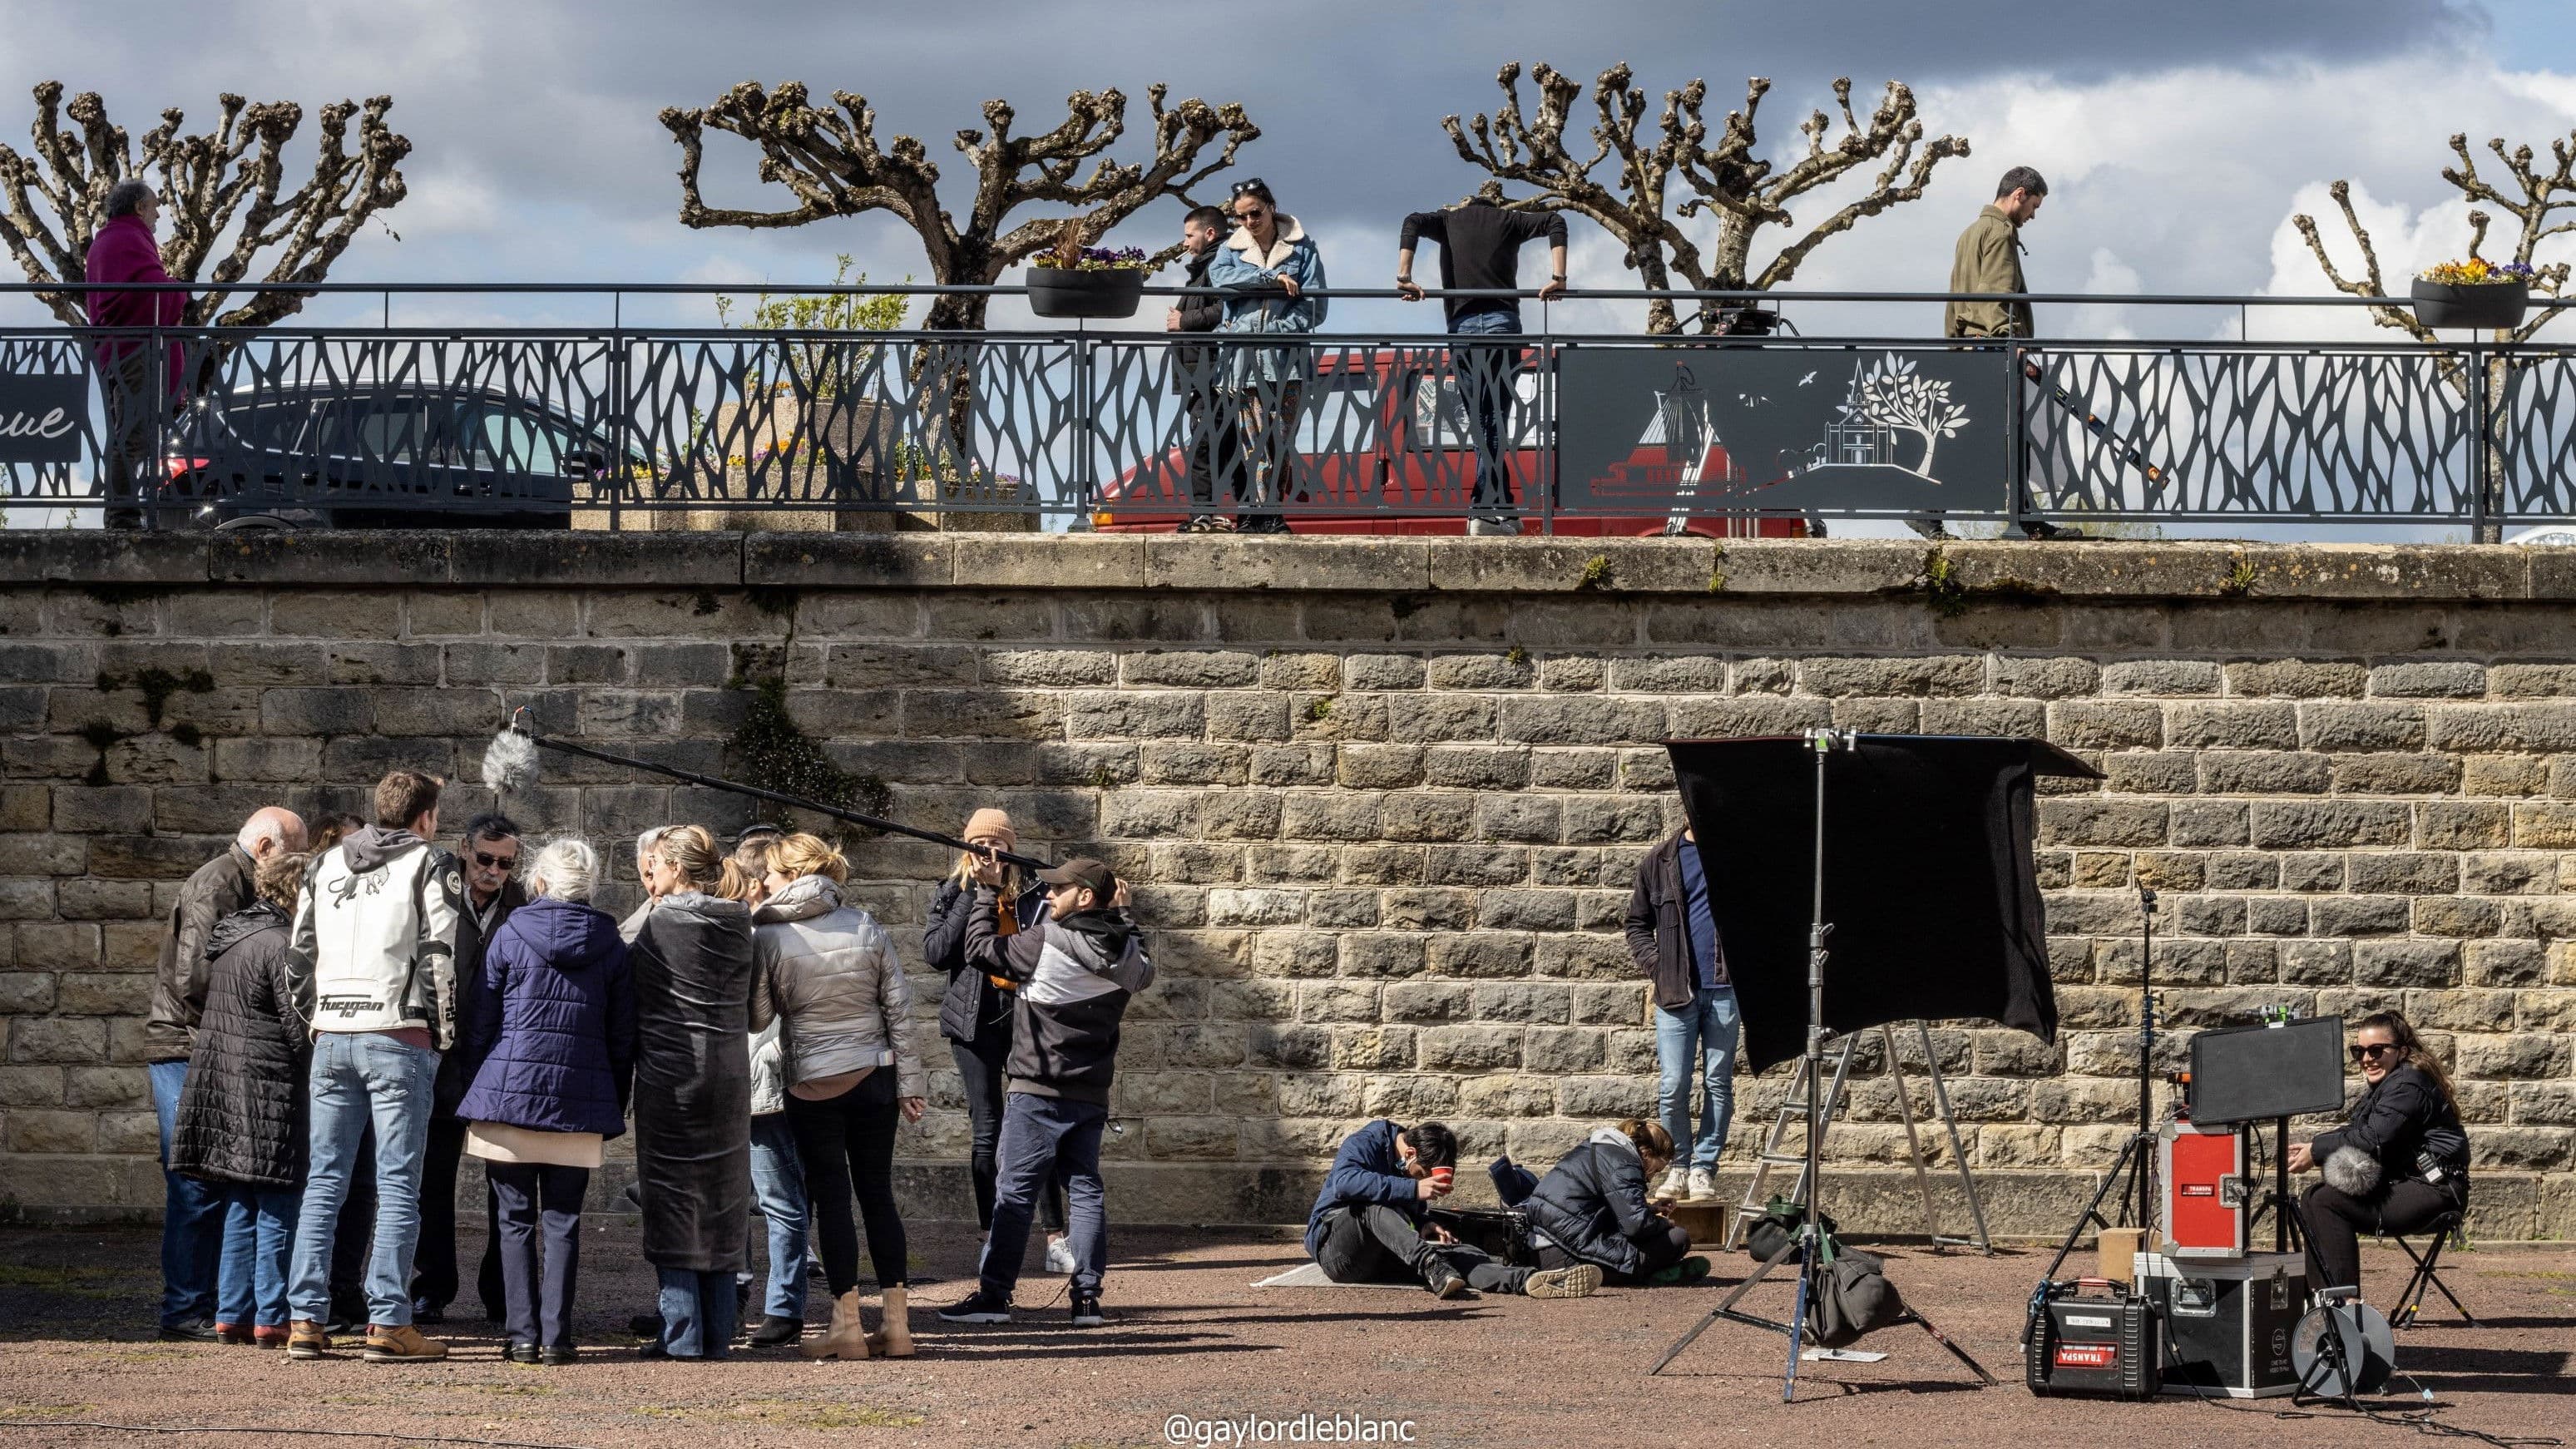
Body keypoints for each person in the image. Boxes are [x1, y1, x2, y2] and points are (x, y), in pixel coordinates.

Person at [282, 770, 462, 1362]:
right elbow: (440, 954)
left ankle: (305, 1318)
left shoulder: (323, 864)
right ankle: (388, 1321)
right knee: (397, 1184)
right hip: (398, 1032)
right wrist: (442, 1035)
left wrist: (317, 1019)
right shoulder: (430, 863)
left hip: (333, 1032)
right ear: (426, 817)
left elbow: (299, 955)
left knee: (324, 1181)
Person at [939, 858, 1154, 1328]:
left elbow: (978, 949)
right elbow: (1142, 965)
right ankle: (1087, 1301)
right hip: (1091, 1092)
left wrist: (985, 892)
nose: (1049, 896)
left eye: (1059, 890)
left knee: (1014, 1193)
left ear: (1085, 897)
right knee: (1086, 1191)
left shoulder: (1046, 940)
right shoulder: (1128, 958)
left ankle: (994, 1298)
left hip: (1036, 1090)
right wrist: (1125, 915)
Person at [456, 838, 636, 1366]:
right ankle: (557, 1337)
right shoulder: (611, 942)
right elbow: (622, 1036)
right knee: (563, 1221)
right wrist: (613, 1100)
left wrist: (480, 1087)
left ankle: (521, 1336)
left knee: (512, 1220)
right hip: (579, 1100)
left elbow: (482, 1022)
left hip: (508, 1093)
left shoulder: (511, 932)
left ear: (538, 882)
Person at [750, 833, 926, 1360]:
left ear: (789, 876)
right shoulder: (866, 924)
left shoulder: (769, 936)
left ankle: (846, 1326)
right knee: (878, 1195)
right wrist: (910, 1084)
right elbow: (899, 1010)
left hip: (813, 1083)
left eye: (771, 874)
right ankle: (897, 1329)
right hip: (875, 1076)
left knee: (832, 1201)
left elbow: (758, 1017)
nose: (763, 881)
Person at [148, 804, 306, 1341]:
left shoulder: (237, 885)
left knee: (230, 1185)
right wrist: (236, 1027)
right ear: (266, 849)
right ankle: (186, 1307)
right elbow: (195, 980)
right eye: (295, 852)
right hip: (188, 1046)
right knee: (196, 1185)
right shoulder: (219, 884)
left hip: (209, 1046)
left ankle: (221, 1305)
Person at [626, 824, 756, 1360]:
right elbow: (757, 1007)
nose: (649, 874)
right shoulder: (741, 921)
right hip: (728, 1074)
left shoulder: (659, 921)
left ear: (676, 870)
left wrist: (649, 902)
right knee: (724, 1202)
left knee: (672, 1197)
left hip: (670, 1073)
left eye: (654, 864)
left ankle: (681, 1334)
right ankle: (720, 1332)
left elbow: (618, 951)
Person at [922, 809, 1071, 1271]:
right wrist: (974, 890)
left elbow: (1050, 947)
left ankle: (1054, 1239)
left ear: (1010, 848)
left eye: (998, 846)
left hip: (1027, 1020)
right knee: (987, 1131)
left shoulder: (1035, 892)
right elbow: (937, 953)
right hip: (973, 1024)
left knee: (1037, 1125)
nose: (988, 853)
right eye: (979, 845)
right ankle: (990, 1236)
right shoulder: (952, 891)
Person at [1396, 188, 1568, 536]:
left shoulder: (1448, 220)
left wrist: (1405, 276)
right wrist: (1558, 278)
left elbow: (1411, 221)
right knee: (1494, 419)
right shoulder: (1510, 219)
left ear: (1465, 204)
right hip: (1504, 324)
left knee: (1481, 419)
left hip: (1463, 327)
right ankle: (1499, 506)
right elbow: (1555, 221)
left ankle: (1484, 508)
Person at [414, 813, 525, 1325]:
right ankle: (431, 1287)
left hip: (499, 1060)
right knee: (432, 1183)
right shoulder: (438, 894)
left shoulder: (523, 905)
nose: (494, 871)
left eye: (505, 863)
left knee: (507, 1182)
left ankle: (502, 1292)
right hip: (442, 1057)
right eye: (485, 858)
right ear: (465, 849)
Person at [1305, 1119, 1599, 1300]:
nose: (1419, 1182)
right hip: (1338, 1252)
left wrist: (1423, 1223)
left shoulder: (1409, 1167)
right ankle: (1432, 1266)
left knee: (1464, 1253)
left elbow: (1404, 1214)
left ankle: (1527, 1280)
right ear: (1410, 1154)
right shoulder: (1365, 1142)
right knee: (1371, 1205)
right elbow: (1344, 1183)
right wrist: (1413, 1189)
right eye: (1421, 1174)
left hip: (1387, 1251)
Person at [2290, 1011, 2470, 1298]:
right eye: (2358, 1051)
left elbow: (2373, 1139)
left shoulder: (2408, 1085)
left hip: (2436, 1189)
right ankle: (2319, 1300)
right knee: (2312, 1197)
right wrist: (2315, 1146)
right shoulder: (2389, 1085)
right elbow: (2358, 1130)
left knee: (2326, 1200)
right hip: (2406, 1182)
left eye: (2376, 1050)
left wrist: (2316, 1150)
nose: (2366, 1059)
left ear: (2402, 1051)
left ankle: (2344, 1303)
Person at [1941, 165, 2075, 541]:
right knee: (2002, 434)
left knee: (1996, 436)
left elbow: (1957, 299)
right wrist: (2008, 342)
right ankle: (1926, 511)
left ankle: (2027, 519)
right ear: (2019, 194)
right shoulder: (2000, 232)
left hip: (1969, 348)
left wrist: (1954, 345)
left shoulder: (1970, 232)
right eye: (2033, 206)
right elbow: (1994, 294)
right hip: (1992, 349)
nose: (2032, 215)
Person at [722, 828, 809, 1348]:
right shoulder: (755, 930)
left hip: (763, 1080)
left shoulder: (769, 934)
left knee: (778, 1199)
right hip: (747, 1078)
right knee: (745, 1201)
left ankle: (782, 1306)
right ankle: (740, 1304)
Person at [1206, 178, 1327, 536]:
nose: (1248, 222)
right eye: (1240, 217)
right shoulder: (1229, 249)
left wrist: (1279, 330)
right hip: (1243, 362)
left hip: (1285, 360)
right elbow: (1221, 279)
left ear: (1271, 208)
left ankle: (1270, 510)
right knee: (1252, 442)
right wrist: (1270, 278)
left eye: (1255, 213)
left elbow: (1315, 307)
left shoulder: (1304, 248)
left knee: (1280, 439)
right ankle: (1260, 514)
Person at [1624, 827, 1738, 1203]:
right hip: (1676, 994)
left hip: (1725, 990)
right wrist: (1659, 967)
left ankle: (1704, 1167)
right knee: (1673, 1086)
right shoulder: (1659, 860)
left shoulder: (1735, 854)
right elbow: (1637, 925)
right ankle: (1679, 1165)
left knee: (1718, 1083)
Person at [84, 179, 189, 529]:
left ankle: (124, 513)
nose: (158, 213)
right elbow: (148, 292)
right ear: (137, 208)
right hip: (133, 351)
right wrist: (177, 288)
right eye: (154, 205)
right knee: (132, 436)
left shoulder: (110, 239)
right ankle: (122, 517)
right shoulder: (125, 238)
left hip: (121, 350)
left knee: (129, 434)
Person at [1520, 1120, 1708, 1286]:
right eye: (1656, 1170)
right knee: (1678, 1238)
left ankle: (1647, 1272)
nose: (1651, 1177)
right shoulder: (1625, 1163)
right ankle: (1647, 1275)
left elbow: (1600, 1204)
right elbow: (1635, 1227)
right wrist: (1663, 1223)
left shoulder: (1599, 1148)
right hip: (1562, 1254)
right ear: (1647, 1154)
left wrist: (1650, 1209)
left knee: (1656, 1240)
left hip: (1541, 1245)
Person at [1167, 203, 1246, 532]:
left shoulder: (1219, 265)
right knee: (1224, 445)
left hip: (1212, 373)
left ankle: (1203, 513)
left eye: (1190, 235)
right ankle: (1242, 514)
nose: (1185, 242)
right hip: (1204, 373)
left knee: (1205, 443)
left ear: (1209, 232)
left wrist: (1182, 320)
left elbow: (1226, 310)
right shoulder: (1206, 267)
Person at [620, 826, 672, 944]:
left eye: (663, 873)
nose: (657, 884)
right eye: (649, 875)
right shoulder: (626, 937)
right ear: (641, 878)